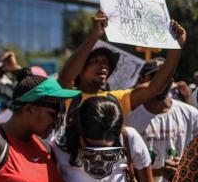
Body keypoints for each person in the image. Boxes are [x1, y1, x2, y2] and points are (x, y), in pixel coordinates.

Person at [58, 11, 186, 118]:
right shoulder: (69, 97)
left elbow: (155, 87)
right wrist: (94, 35)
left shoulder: (115, 100)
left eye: (106, 63)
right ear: (80, 70)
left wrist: (176, 46)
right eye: (95, 61)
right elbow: (64, 78)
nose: (103, 66)